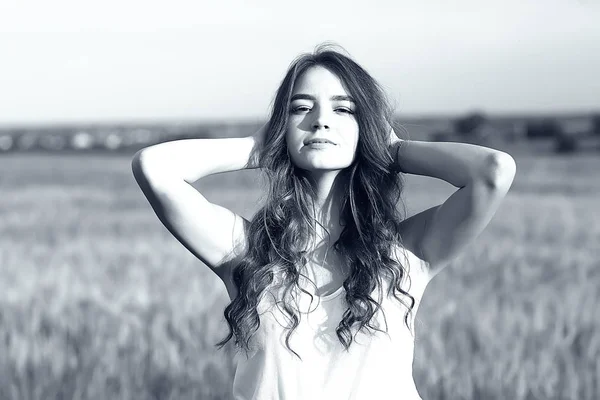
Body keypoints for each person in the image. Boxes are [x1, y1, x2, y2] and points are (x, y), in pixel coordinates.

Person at [131, 43, 517, 400]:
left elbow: (493, 171)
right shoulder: (245, 253)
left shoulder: (408, 252)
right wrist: (258, 147)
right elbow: (153, 168)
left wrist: (393, 150)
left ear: (365, 125)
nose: (320, 122)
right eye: (300, 108)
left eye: (343, 109)